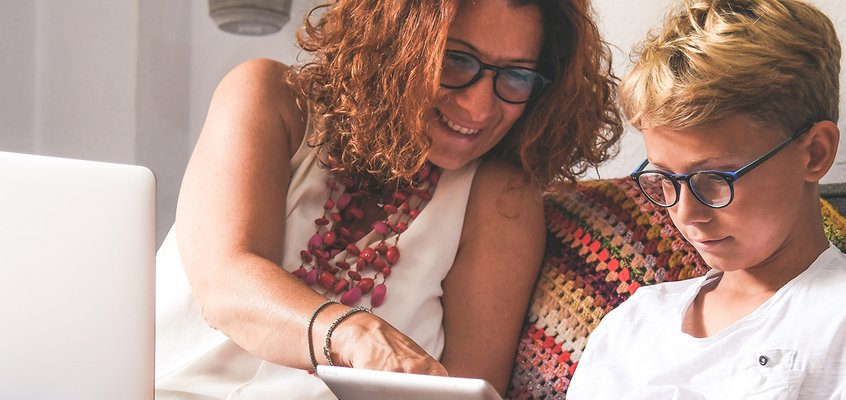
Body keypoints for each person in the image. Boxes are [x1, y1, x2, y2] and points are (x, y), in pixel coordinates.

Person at [154, 0, 622, 398]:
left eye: (517, 76)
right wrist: (355, 332)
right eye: (456, 60)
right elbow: (225, 286)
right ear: (394, 42)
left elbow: (465, 391)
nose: (481, 107)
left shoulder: (501, 199)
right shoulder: (271, 96)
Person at [566, 0, 846, 398]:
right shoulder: (634, 323)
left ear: (814, 153)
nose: (685, 212)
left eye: (713, 178)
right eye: (664, 179)